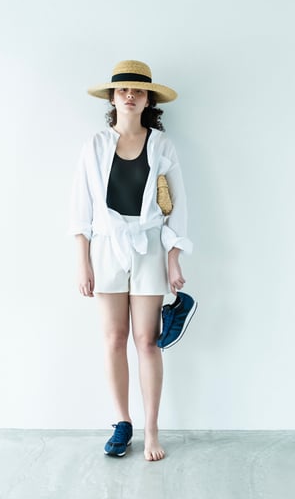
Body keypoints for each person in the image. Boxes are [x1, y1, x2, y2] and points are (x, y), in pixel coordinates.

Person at [69, 60, 192, 461]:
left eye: (138, 91)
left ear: (148, 100)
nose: (130, 95)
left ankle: (152, 430)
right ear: (112, 97)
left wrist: (174, 258)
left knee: (147, 341)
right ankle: (123, 423)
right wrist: (83, 262)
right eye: (123, 89)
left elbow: (178, 208)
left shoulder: (161, 145)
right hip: (106, 247)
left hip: (149, 247)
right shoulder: (95, 145)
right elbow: (81, 209)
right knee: (113, 338)